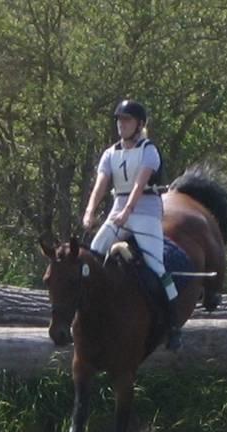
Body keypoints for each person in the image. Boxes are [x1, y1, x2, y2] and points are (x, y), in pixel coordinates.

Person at [82, 99, 182, 351]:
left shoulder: (149, 150)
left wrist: (128, 211)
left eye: (126, 120)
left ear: (139, 125)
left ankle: (174, 324)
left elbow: (139, 184)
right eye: (119, 120)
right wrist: (90, 211)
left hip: (145, 211)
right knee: (93, 254)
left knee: (157, 267)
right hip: (118, 209)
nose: (121, 124)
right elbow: (101, 185)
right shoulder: (110, 153)